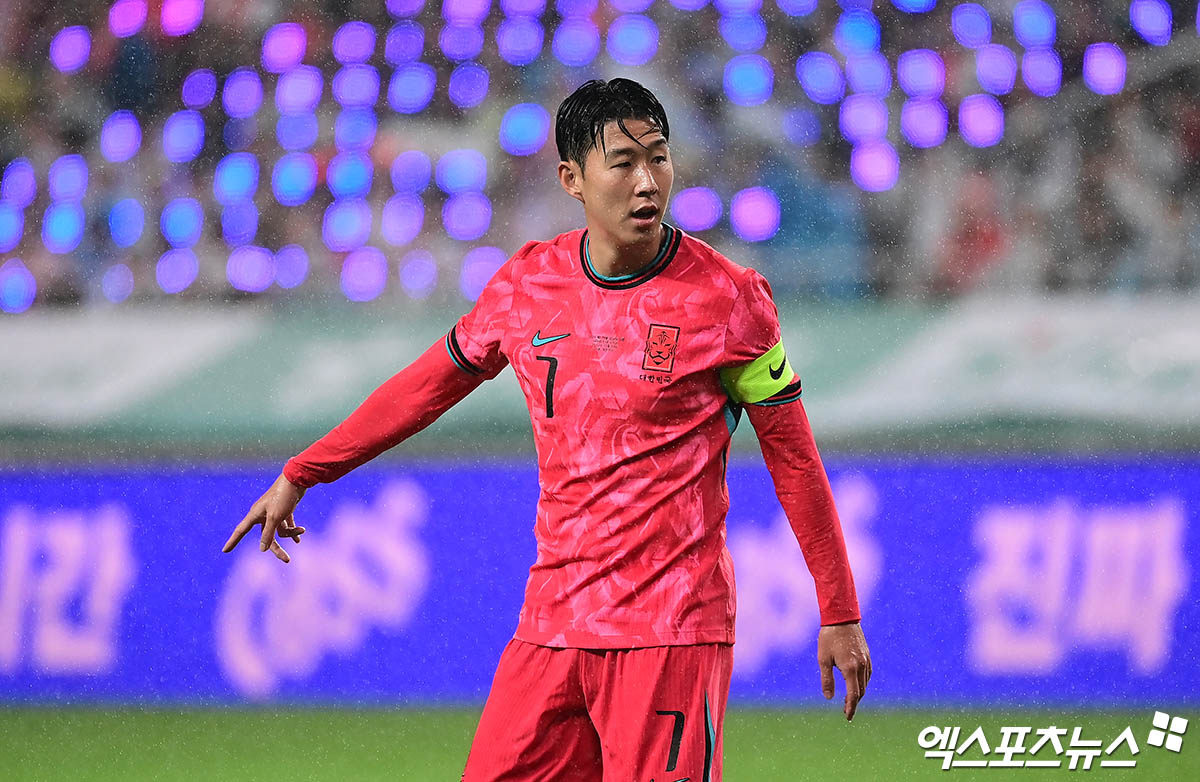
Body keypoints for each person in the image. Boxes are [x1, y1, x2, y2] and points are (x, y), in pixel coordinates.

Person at [223, 78, 871, 781]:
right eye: (623, 163)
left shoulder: (729, 300)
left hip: (671, 630)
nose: (647, 181)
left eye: (658, 158)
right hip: (552, 624)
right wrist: (305, 470)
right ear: (572, 179)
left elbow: (794, 458)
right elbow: (424, 389)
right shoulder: (528, 286)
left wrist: (838, 608)